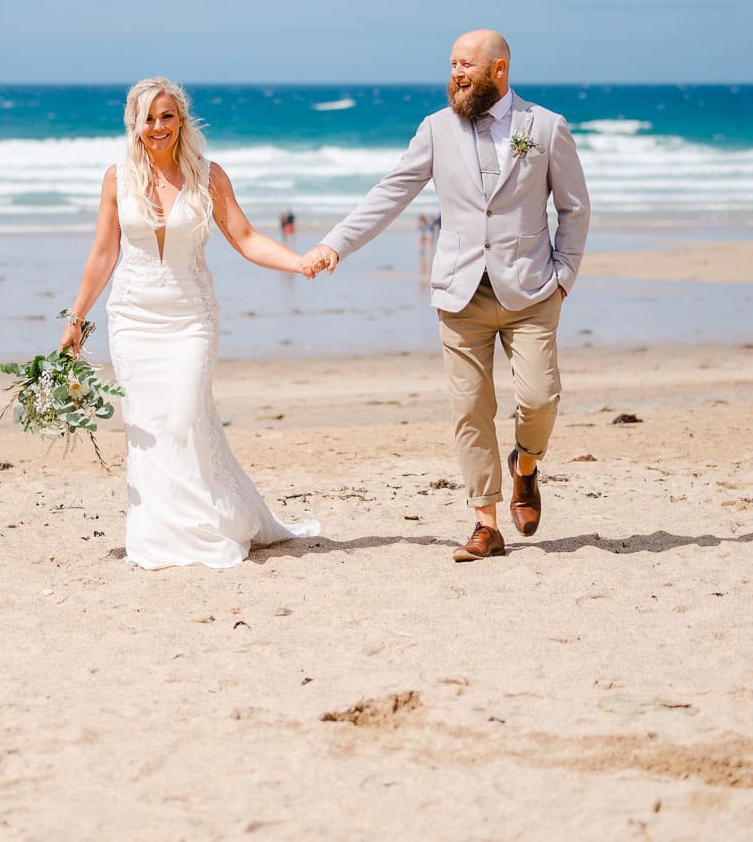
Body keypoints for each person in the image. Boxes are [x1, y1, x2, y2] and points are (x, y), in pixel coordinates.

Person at [301, 31, 589, 563]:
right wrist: (335, 244)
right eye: (452, 64)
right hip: (460, 293)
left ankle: (525, 468)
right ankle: (485, 523)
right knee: (470, 410)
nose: (456, 73)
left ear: (498, 70)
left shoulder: (546, 128)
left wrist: (564, 276)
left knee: (540, 398)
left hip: (531, 290)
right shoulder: (436, 128)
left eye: (467, 65)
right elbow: (391, 191)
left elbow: (573, 208)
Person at [61, 77, 322, 570]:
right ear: (134, 124)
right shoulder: (117, 179)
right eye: (149, 118)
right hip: (133, 318)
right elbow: (103, 254)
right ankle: (159, 535)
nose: (159, 127)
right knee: (148, 426)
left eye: (168, 116)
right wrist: (77, 317)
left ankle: (206, 527)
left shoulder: (209, 176)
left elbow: (245, 238)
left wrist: (298, 262)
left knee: (183, 416)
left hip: (190, 319)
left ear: (182, 119)